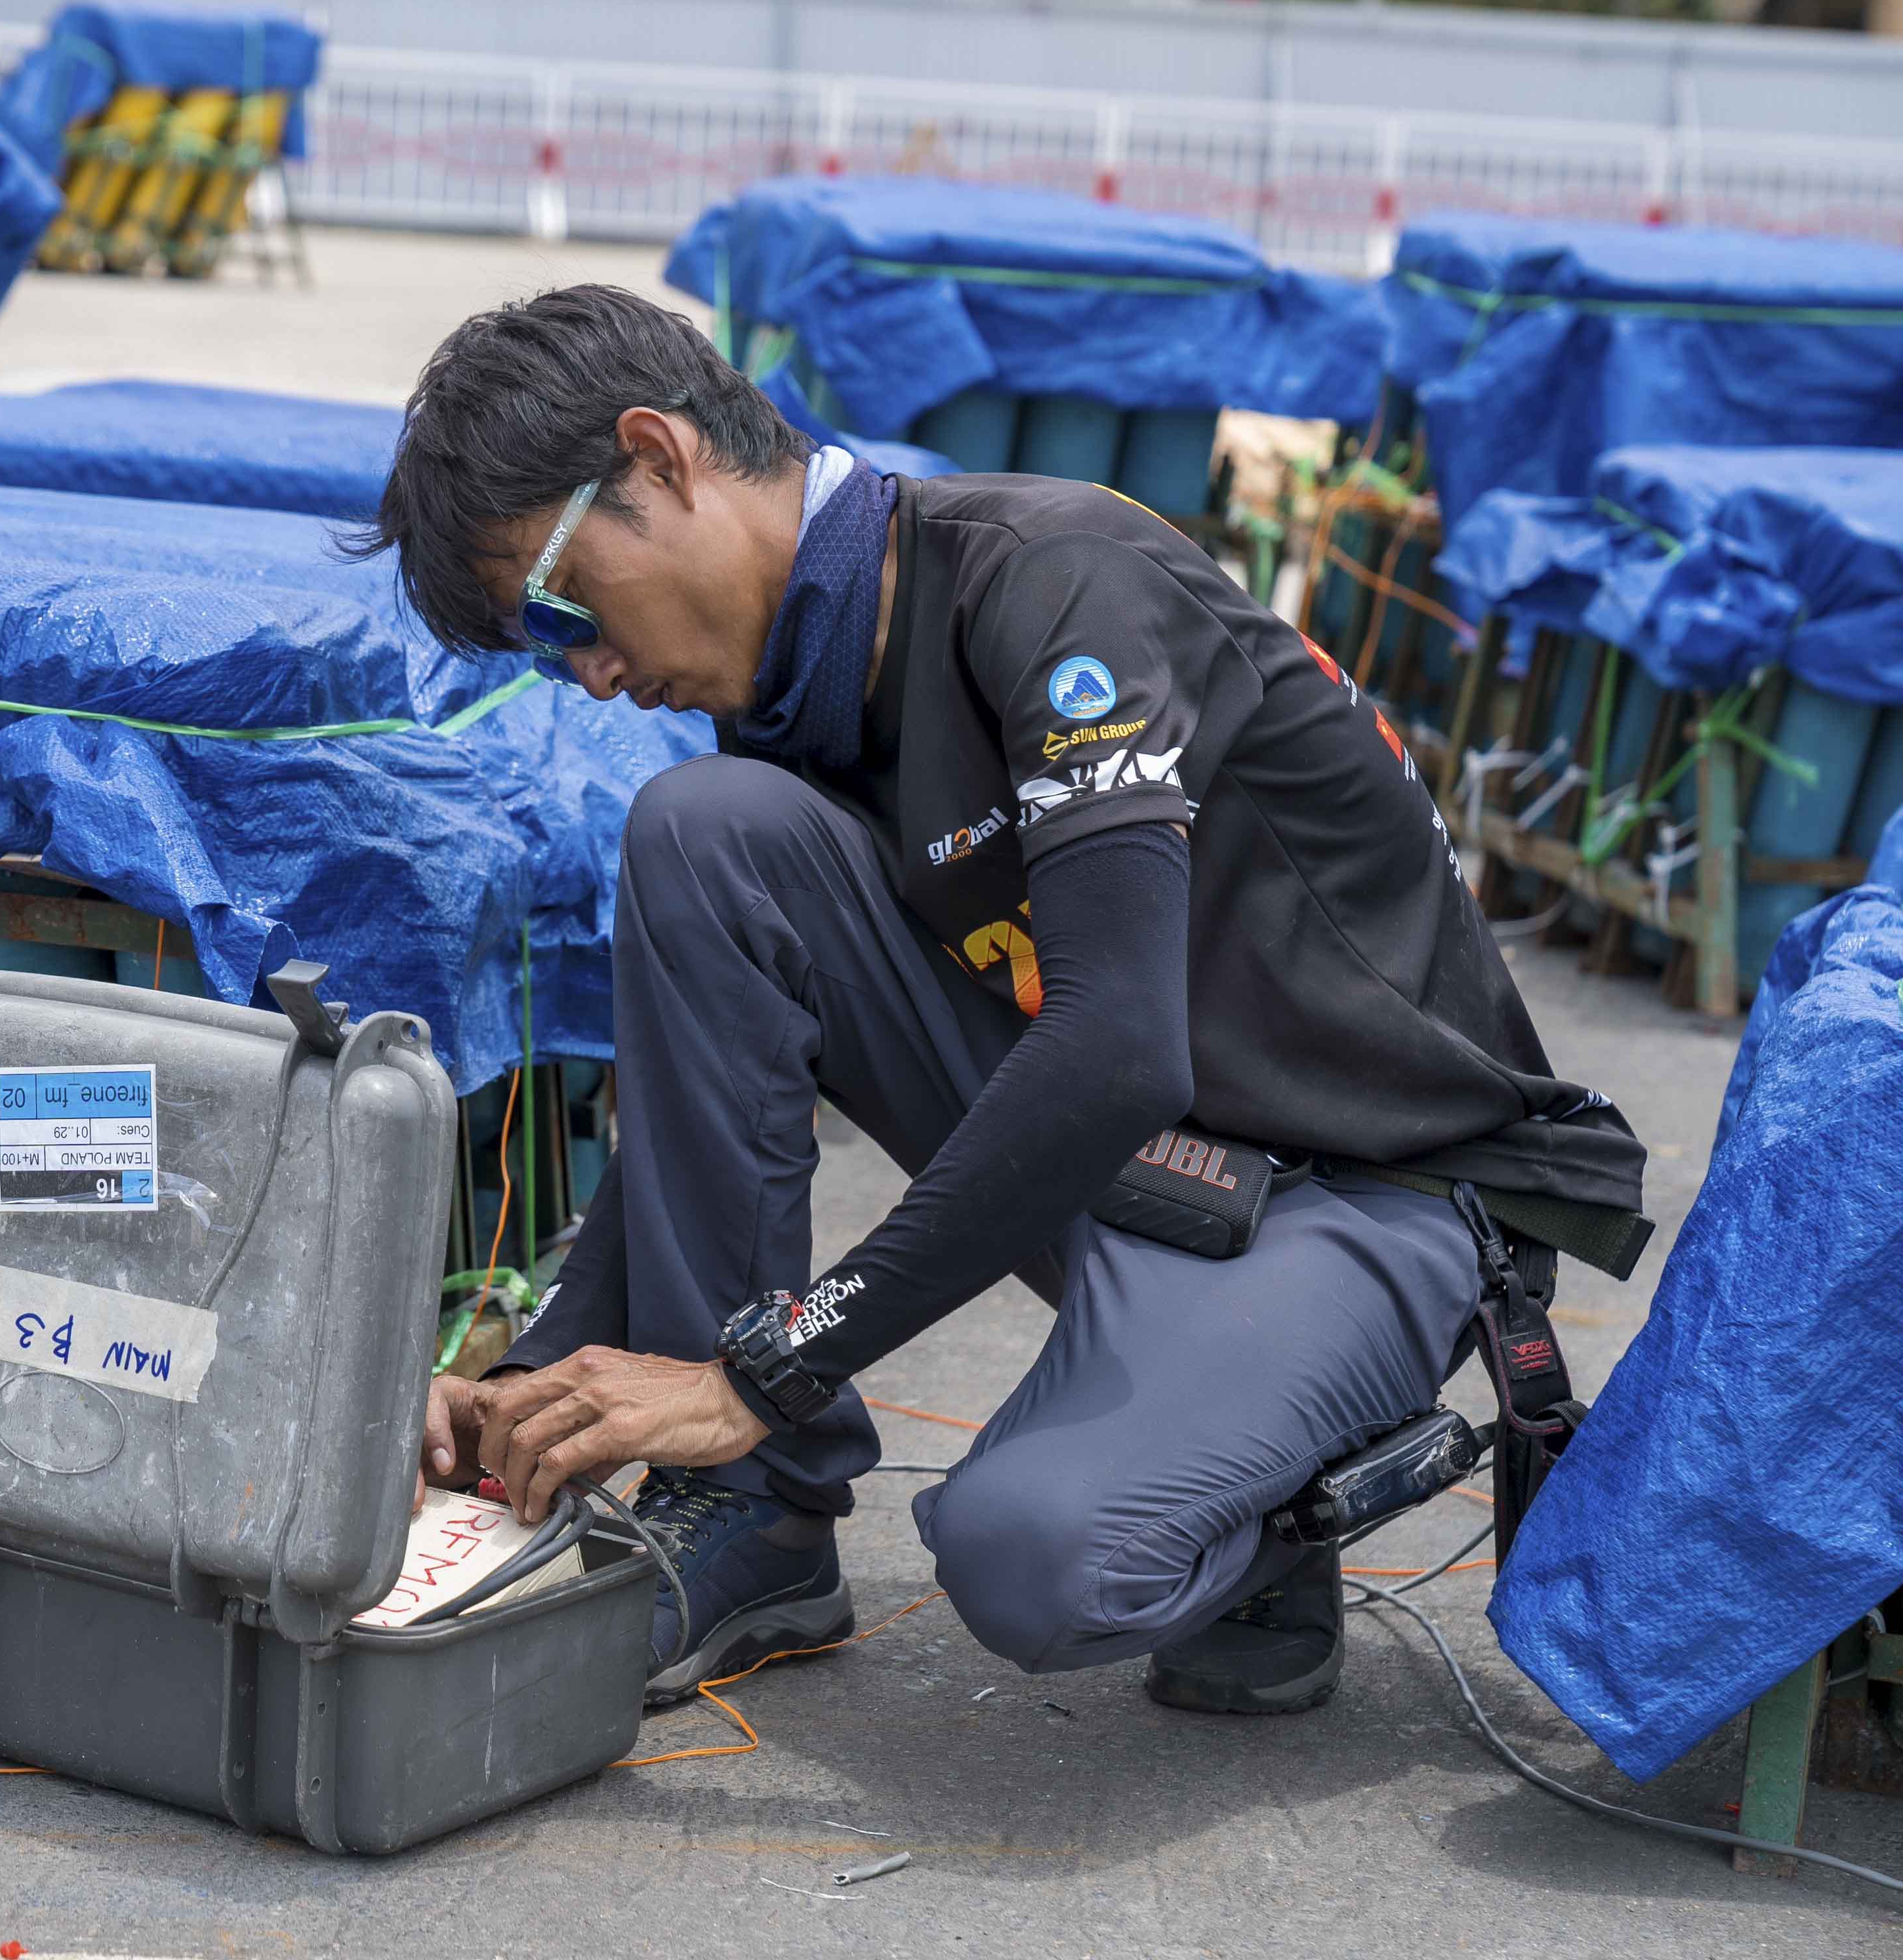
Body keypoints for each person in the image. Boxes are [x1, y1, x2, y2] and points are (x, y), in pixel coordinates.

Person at [352, 285, 1647, 1713]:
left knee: (1038, 1559)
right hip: (1151, 1165)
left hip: (1365, 1186)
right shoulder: (794, 698)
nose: (586, 674)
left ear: (660, 459)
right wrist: (534, 1383)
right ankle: (761, 1525)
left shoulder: (1054, 581)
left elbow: (1117, 1044)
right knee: (708, 831)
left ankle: (1288, 1495)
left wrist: (772, 1369)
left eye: (562, 610)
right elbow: (695, 1111)